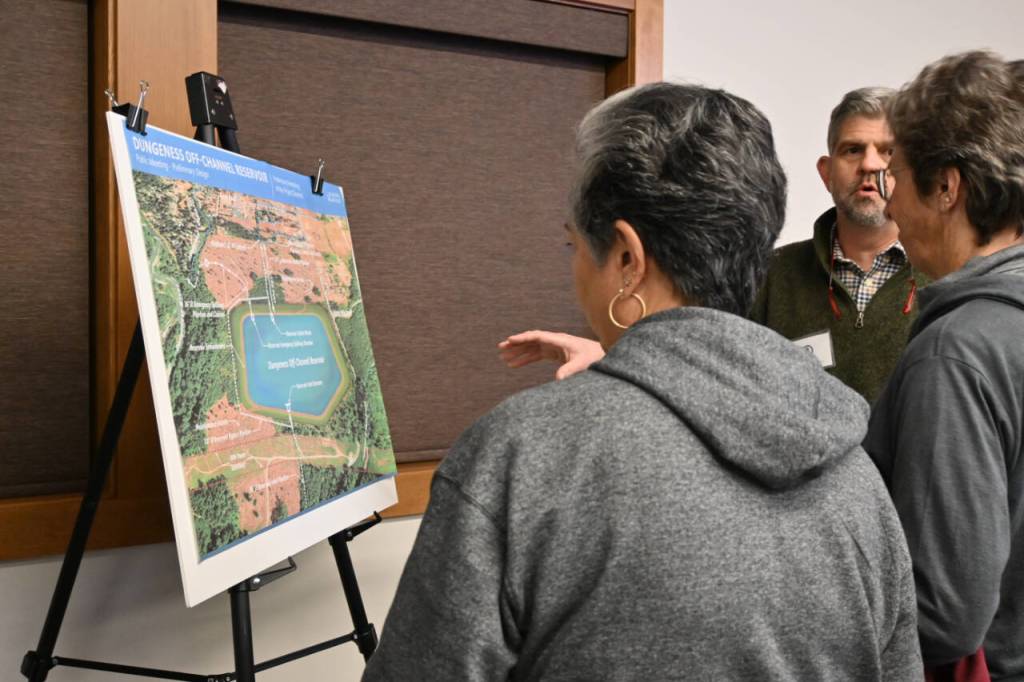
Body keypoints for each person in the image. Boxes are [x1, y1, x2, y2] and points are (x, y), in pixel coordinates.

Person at [364, 83, 921, 680]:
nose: (574, 266)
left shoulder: (519, 458)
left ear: (627, 258)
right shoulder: (858, 484)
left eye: (572, 244)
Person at [500, 88, 922, 405]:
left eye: (886, 152)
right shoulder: (765, 271)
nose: (870, 164)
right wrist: (612, 354)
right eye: (853, 150)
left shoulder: (943, 280)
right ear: (826, 173)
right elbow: (701, 361)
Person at [863, 50, 1024, 679]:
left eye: (896, 175)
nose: (889, 203)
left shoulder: (955, 354)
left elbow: (943, 614)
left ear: (948, 187)